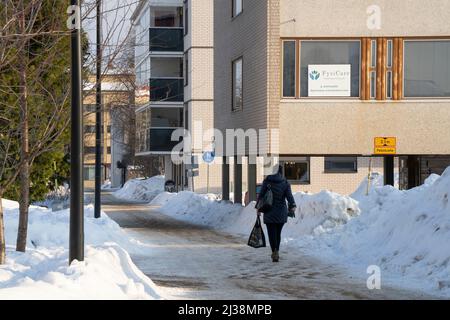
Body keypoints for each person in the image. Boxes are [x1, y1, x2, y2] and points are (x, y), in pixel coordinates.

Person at [257, 165, 296, 262]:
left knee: (271, 233)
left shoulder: (267, 182)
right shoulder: (285, 182)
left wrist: (258, 209)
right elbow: (289, 197)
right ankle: (276, 250)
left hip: (269, 210)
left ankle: (274, 251)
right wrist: (292, 205)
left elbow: (261, 196)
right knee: (278, 233)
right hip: (281, 211)